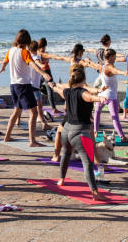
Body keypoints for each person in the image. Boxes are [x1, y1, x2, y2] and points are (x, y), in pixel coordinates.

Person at [49, 66, 109, 201]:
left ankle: (61, 179)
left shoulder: (67, 91)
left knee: (66, 153)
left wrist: (52, 85)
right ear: (84, 80)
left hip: (66, 129)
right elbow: (88, 97)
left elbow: (58, 90)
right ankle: (95, 193)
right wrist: (100, 99)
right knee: (88, 163)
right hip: (80, 132)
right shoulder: (82, 92)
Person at [0, 29, 52, 146]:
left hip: (13, 85)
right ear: (26, 41)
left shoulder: (11, 50)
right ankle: (32, 141)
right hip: (23, 85)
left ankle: (7, 136)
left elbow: (5, 60)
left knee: (16, 111)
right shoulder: (24, 52)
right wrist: (43, 73)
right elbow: (32, 64)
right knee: (33, 113)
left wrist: (3, 67)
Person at [93, 49, 126, 140]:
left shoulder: (102, 66)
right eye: (114, 57)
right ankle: (121, 136)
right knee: (115, 117)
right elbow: (115, 70)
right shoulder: (109, 66)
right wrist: (123, 72)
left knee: (97, 113)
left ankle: (95, 131)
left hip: (102, 95)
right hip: (110, 96)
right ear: (110, 57)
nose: (115, 59)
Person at [37, 37, 63, 114]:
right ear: (44, 45)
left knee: (37, 86)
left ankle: (35, 104)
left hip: (40, 72)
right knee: (50, 90)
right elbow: (50, 58)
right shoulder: (44, 53)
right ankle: (54, 109)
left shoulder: (37, 52)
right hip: (46, 71)